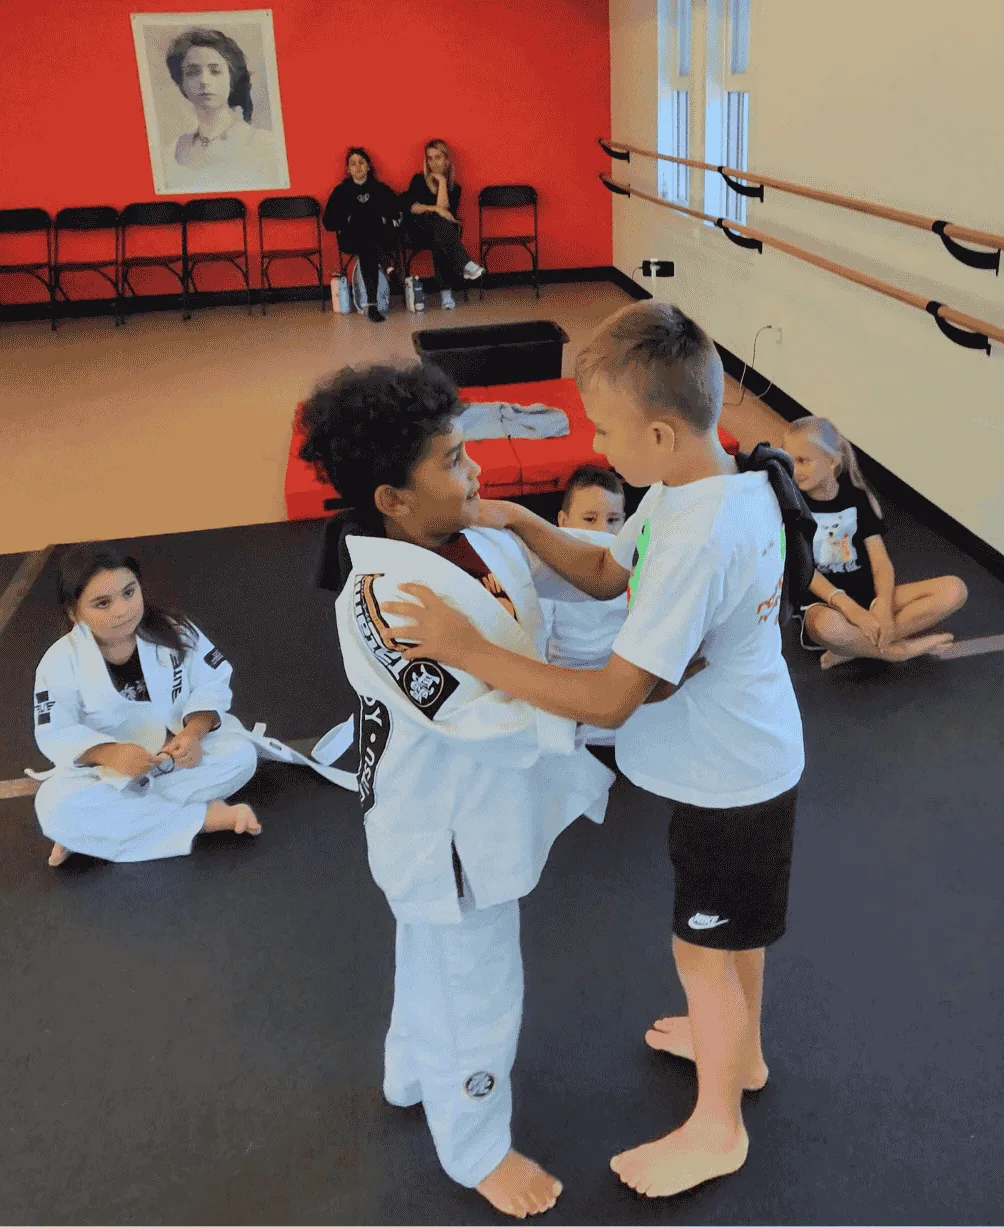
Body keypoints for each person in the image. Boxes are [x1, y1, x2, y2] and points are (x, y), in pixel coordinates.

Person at [379, 301, 805, 1199]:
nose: (600, 446)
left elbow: (617, 692)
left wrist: (471, 649)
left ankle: (718, 1123)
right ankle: (743, 1050)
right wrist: (527, 525)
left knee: (703, 948)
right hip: (732, 762)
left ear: (658, 429)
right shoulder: (695, 484)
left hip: (735, 773)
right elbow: (615, 568)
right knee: (730, 935)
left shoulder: (701, 532)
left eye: (607, 430)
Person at [299, 362, 617, 1219]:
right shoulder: (382, 600)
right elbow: (488, 720)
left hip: (474, 809)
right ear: (392, 498)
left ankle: (410, 1070)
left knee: (428, 955)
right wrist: (609, 706)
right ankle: (476, 1143)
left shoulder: (478, 538)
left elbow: (580, 591)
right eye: (451, 459)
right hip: (444, 831)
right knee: (479, 981)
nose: (474, 470)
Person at [31, 544, 262, 867]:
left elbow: (211, 683)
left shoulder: (174, 630)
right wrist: (110, 753)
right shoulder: (59, 663)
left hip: (173, 762)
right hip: (104, 775)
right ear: (74, 612)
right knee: (54, 806)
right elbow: (56, 733)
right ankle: (206, 818)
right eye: (102, 603)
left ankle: (99, 832)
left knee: (240, 755)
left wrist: (193, 734)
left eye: (129, 592)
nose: (122, 610)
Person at [783, 417, 968, 669]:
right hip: (823, 604)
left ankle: (854, 648)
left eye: (802, 460)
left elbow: (880, 561)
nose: (793, 469)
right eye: (788, 459)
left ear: (832, 460)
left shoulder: (856, 498)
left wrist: (882, 602)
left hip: (866, 594)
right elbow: (804, 568)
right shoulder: (793, 504)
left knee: (954, 589)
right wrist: (848, 607)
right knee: (827, 626)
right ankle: (896, 650)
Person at [539, 466, 629, 772]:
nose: (602, 531)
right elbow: (536, 644)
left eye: (614, 520)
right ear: (563, 523)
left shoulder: (636, 568)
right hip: (568, 695)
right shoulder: (547, 572)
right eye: (589, 519)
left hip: (623, 696)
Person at [164, 28, 283, 192]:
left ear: (232, 78)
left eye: (215, 71)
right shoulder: (171, 151)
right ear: (181, 83)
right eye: (192, 73)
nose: (204, 81)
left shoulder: (263, 144)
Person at [400, 139, 485, 310]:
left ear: (446, 160)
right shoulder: (418, 180)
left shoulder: (455, 188)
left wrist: (443, 183)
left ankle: (447, 295)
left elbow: (445, 208)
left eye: (437, 157)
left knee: (440, 235)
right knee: (439, 222)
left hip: (439, 235)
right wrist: (434, 209)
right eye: (429, 158)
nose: (433, 162)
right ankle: (465, 266)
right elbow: (413, 207)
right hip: (416, 232)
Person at [322, 147, 401, 324]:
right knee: (362, 227)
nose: (358, 167)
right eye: (353, 164)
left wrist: (383, 218)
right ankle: (389, 267)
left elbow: (396, 213)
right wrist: (347, 219)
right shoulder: (341, 192)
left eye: (361, 162)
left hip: (380, 238)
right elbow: (328, 223)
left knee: (368, 245)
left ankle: (372, 305)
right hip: (351, 239)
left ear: (369, 166)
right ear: (348, 169)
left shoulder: (380, 189)